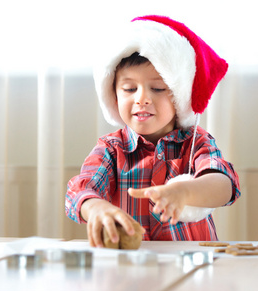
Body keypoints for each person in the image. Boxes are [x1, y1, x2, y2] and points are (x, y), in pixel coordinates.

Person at [65, 15, 240, 247]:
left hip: (191, 268)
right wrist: (96, 208)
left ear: (180, 96)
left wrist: (186, 191)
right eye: (129, 88)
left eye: (157, 88)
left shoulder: (197, 142)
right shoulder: (111, 149)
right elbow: (80, 190)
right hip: (129, 270)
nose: (142, 99)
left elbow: (224, 185)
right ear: (113, 94)